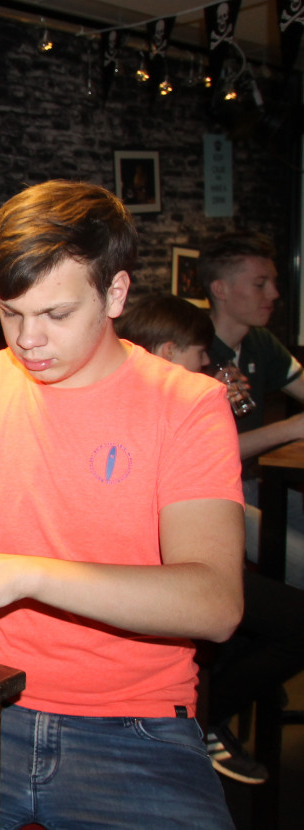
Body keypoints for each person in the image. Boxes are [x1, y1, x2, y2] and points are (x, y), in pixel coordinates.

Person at [0, 180, 243, 828]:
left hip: (136, 726)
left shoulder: (186, 404)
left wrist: (24, 571)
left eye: (55, 315)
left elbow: (214, 603)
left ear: (115, 293)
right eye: (11, 312)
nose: (27, 339)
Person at [118, 291, 304, 785]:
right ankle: (211, 715)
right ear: (165, 353)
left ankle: (212, 709)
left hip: (165, 570)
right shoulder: (167, 412)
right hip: (152, 577)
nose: (208, 362)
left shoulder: (160, 402)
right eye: (201, 353)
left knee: (249, 602)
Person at [202, 230, 304, 589]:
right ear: (221, 290)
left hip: (255, 484)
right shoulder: (187, 350)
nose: (274, 294)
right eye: (261, 284)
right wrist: (292, 428)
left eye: (273, 283)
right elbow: (209, 459)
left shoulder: (259, 340)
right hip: (212, 501)